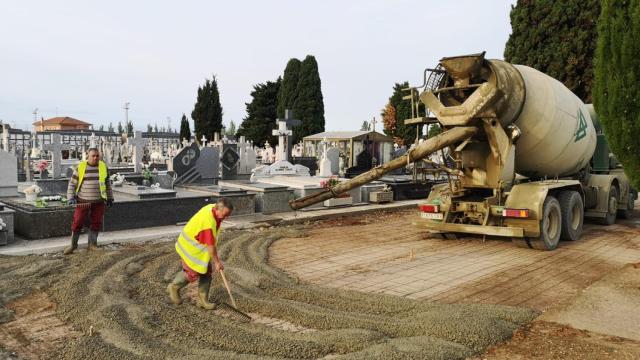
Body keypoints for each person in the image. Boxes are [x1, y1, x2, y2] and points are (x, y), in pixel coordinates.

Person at [167, 198, 233, 309]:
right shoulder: (208, 223)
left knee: (206, 272)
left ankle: (203, 301)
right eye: (224, 214)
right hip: (190, 248)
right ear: (217, 209)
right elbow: (211, 247)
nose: (225, 218)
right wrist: (217, 262)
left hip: (199, 247)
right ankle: (174, 287)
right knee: (192, 273)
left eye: (228, 215)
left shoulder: (212, 208)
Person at [63, 148, 114, 255]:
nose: (95, 158)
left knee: (96, 222)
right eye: (93, 156)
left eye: (97, 156)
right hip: (83, 201)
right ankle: (73, 245)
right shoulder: (80, 167)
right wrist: (70, 197)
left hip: (99, 201)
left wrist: (110, 197)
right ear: (88, 156)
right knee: (77, 222)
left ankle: (92, 244)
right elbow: (72, 184)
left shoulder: (103, 167)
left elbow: (107, 184)